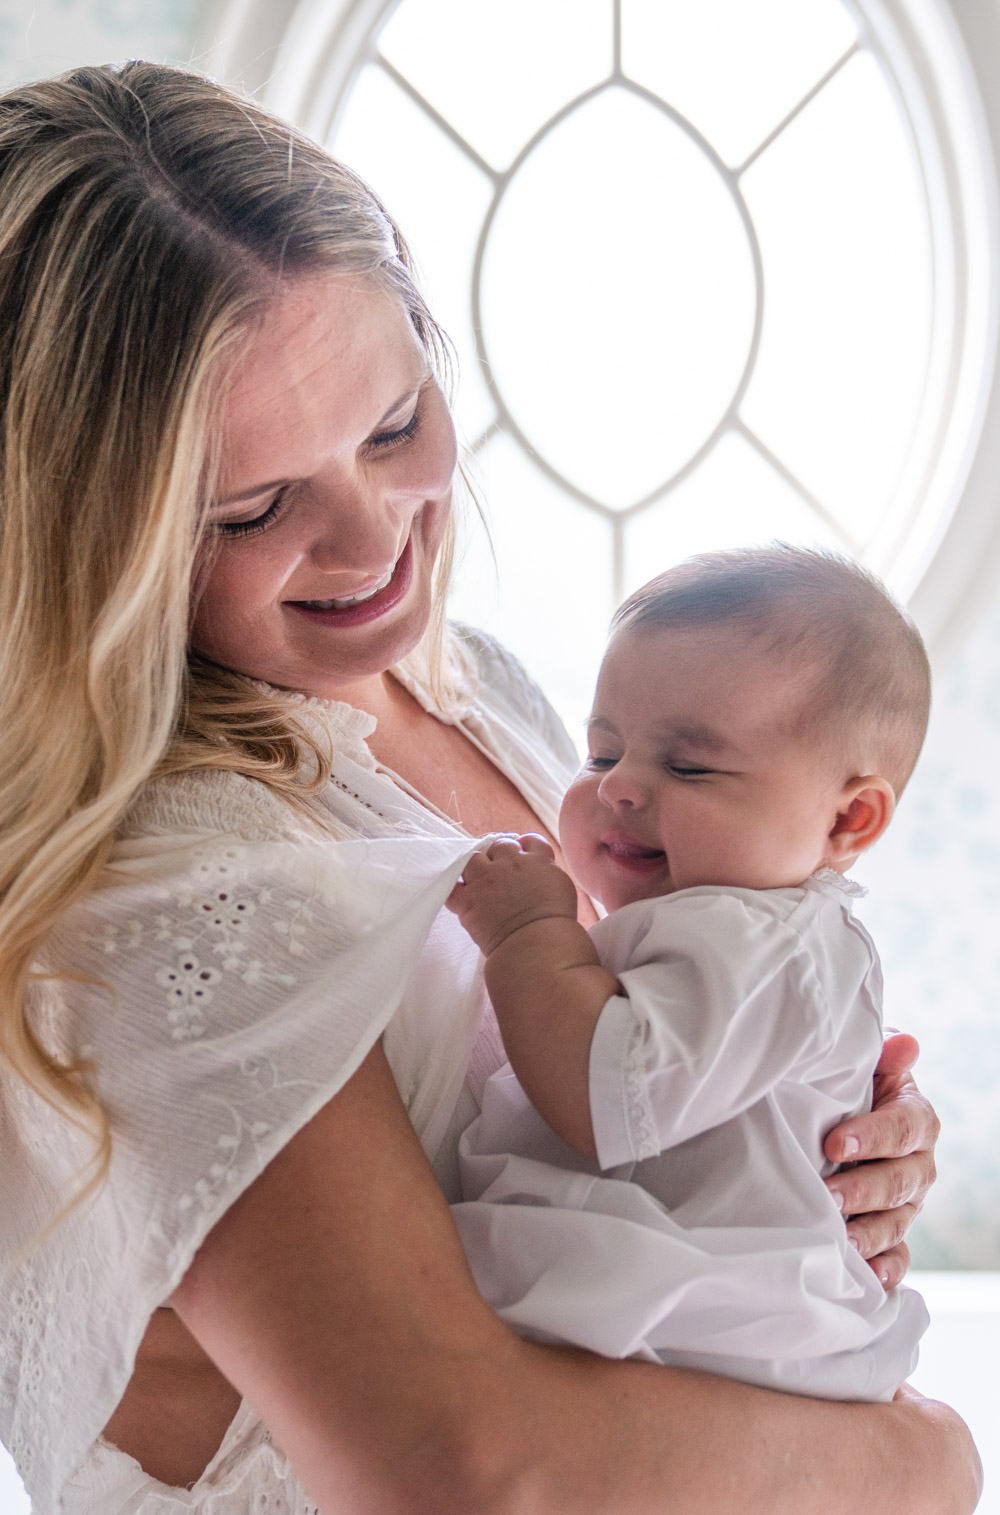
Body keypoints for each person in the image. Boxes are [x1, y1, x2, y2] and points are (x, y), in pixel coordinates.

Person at [0, 60, 979, 1515]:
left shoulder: (484, 694)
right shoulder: (170, 876)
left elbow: (605, 1107)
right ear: (93, 543)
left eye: (394, 423)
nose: (372, 537)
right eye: (257, 508)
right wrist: (922, 1457)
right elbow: (457, 1465)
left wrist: (802, 1152)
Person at [448, 547, 933, 1401]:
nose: (621, 788)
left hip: (717, 1342)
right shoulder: (731, 927)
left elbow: (607, 1094)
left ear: (847, 817)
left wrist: (528, 933)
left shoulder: (760, 941)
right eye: (602, 753)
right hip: (676, 1333)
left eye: (689, 766)